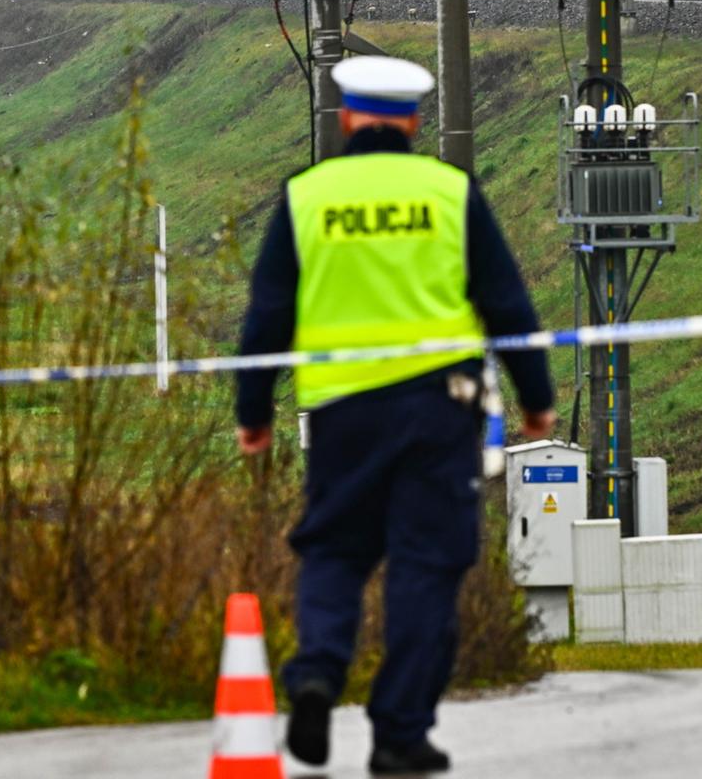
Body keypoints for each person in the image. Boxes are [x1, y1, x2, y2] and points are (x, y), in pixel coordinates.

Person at [236, 55, 557, 775]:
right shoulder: (449, 193)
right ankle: (399, 733)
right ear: (413, 121)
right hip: (436, 415)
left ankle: (317, 671)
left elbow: (267, 316)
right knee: (425, 564)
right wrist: (536, 397)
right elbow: (505, 303)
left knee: (335, 550)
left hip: (341, 413)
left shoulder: (305, 196)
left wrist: (252, 411)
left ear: (348, 117)